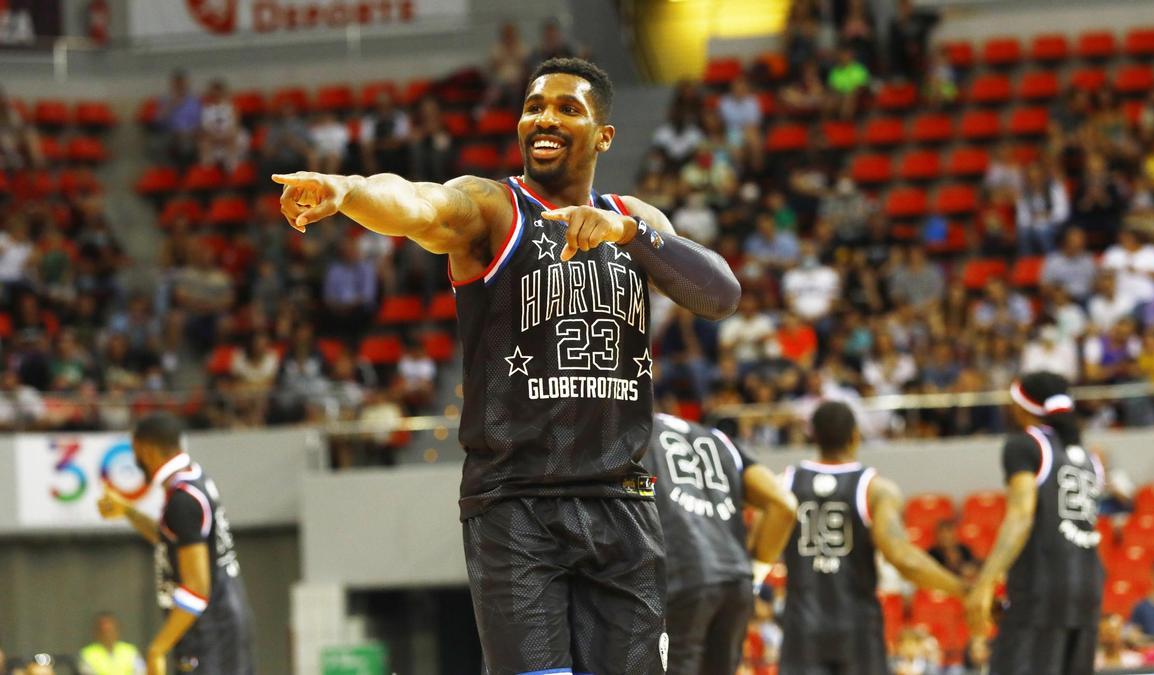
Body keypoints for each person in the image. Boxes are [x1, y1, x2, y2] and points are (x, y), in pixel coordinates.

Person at [274, 57, 740, 674]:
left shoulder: (636, 221)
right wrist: (349, 191)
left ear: (603, 135)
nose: (543, 118)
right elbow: (418, 204)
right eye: (533, 106)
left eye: (566, 108)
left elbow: (721, 294)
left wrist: (627, 233)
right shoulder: (493, 207)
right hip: (518, 504)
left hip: (622, 500)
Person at [779, 400, 966, 673]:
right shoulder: (875, 490)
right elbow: (903, 559)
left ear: (813, 436)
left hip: (802, 628)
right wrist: (964, 590)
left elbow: (760, 549)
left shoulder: (782, 485)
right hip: (857, 629)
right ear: (855, 436)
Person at [966, 371, 1104, 674]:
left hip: (1042, 587)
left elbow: (1020, 516)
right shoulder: (1091, 459)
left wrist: (985, 582)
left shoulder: (1024, 445)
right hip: (1088, 589)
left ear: (1022, 407)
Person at [96, 413, 255, 675]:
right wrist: (129, 512)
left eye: (137, 454)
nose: (137, 463)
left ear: (146, 450)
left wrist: (158, 648)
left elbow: (197, 587)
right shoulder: (193, 477)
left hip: (209, 630)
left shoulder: (183, 500)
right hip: (222, 620)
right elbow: (168, 539)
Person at [641, 413, 796, 675]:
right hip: (736, 581)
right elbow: (784, 506)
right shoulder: (718, 439)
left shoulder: (635, 429)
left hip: (681, 575)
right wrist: (755, 574)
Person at [79, 612, 146, 675]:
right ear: (97, 632)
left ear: (117, 630)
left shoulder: (130, 651)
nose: (108, 635)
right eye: (104, 631)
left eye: (110, 630)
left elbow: (141, 672)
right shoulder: (88, 654)